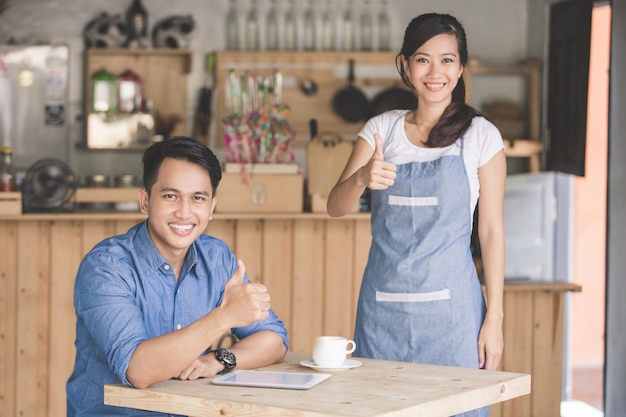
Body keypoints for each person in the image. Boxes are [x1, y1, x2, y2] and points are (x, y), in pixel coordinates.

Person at [327, 13, 505, 417]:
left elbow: (492, 232)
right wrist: (361, 178)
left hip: (454, 319)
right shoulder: (381, 130)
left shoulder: (481, 136)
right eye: (423, 59)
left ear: (460, 68)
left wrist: (494, 319)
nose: (435, 72)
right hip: (382, 314)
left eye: (447, 60)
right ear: (405, 65)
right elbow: (334, 206)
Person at [66, 137, 288, 416]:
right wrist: (224, 317)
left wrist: (218, 359)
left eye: (198, 198)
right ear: (145, 201)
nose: (184, 212)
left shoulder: (217, 258)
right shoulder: (106, 267)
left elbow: (274, 340)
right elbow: (138, 370)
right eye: (170, 196)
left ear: (212, 207)